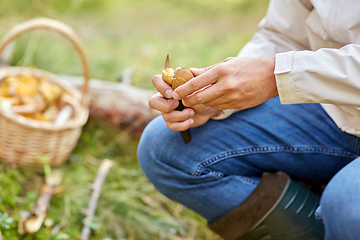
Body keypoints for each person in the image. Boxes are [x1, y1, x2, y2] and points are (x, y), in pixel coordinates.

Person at [137, 0, 360, 239]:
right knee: (164, 147)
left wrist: (278, 75)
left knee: (348, 209)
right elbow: (284, 34)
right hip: (336, 108)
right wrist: (218, 97)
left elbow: (278, 71)